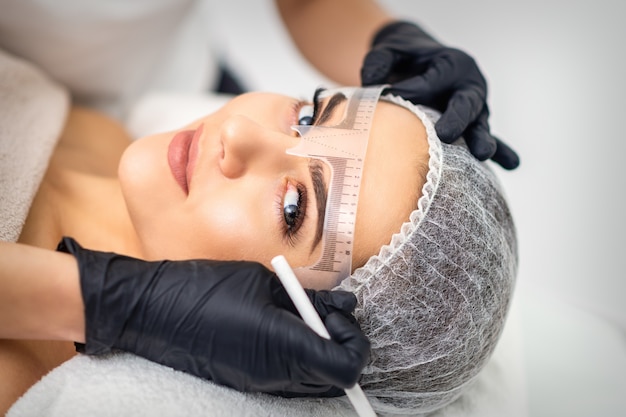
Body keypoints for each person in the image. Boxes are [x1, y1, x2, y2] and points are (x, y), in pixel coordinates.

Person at [0, 48, 517, 415]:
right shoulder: (100, 133)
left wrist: (116, 300)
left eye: (293, 208)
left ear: (280, 329)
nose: (240, 133)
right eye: (311, 117)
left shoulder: (15, 365)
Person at [0, 0, 518, 169]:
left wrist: (387, 38)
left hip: (191, 92)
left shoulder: (227, 128)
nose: (241, 134)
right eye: (293, 211)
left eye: (309, 119)